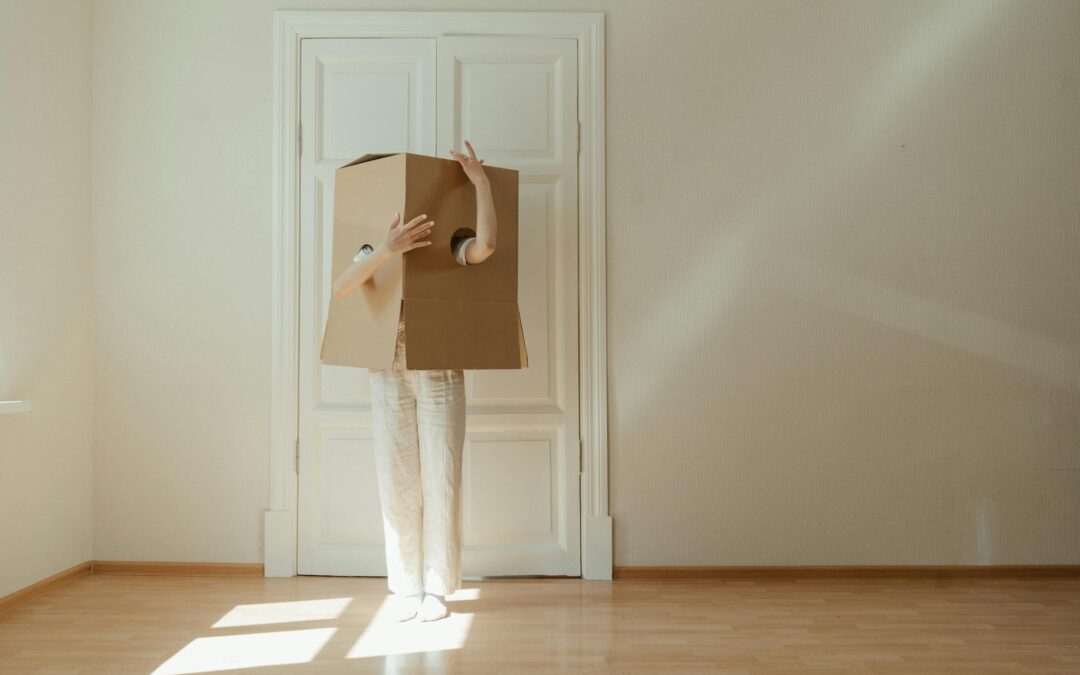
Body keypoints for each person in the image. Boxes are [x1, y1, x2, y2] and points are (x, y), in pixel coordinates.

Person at [330, 140, 496, 622]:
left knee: (441, 474)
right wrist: (385, 249)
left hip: (440, 362)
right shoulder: (370, 244)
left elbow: (484, 247)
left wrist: (481, 182)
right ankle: (405, 586)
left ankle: (437, 588)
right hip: (388, 364)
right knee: (396, 474)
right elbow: (341, 288)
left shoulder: (443, 238)